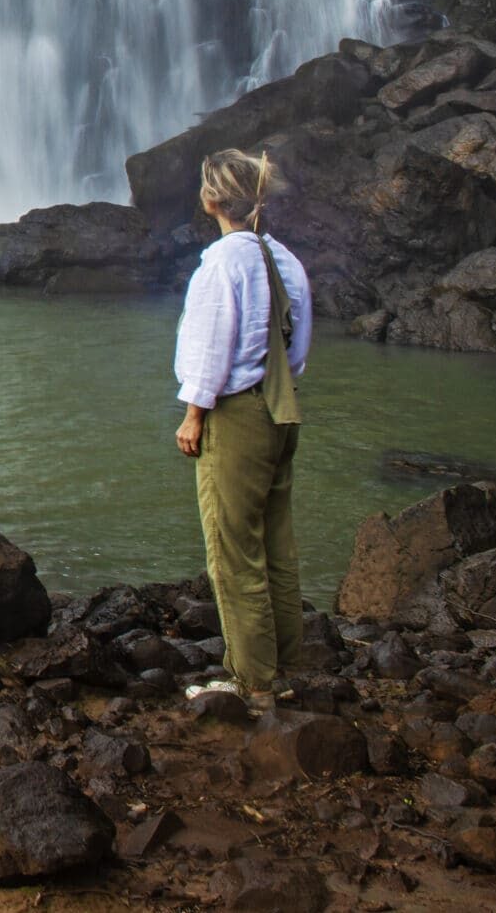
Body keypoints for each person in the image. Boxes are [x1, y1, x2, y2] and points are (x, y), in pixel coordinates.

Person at [173, 147, 312, 709]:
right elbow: (297, 350)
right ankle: (285, 664)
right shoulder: (286, 261)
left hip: (236, 417)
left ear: (211, 200)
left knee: (233, 552)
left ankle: (253, 682)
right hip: (282, 410)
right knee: (276, 542)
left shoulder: (222, 264)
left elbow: (210, 350)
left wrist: (194, 415)